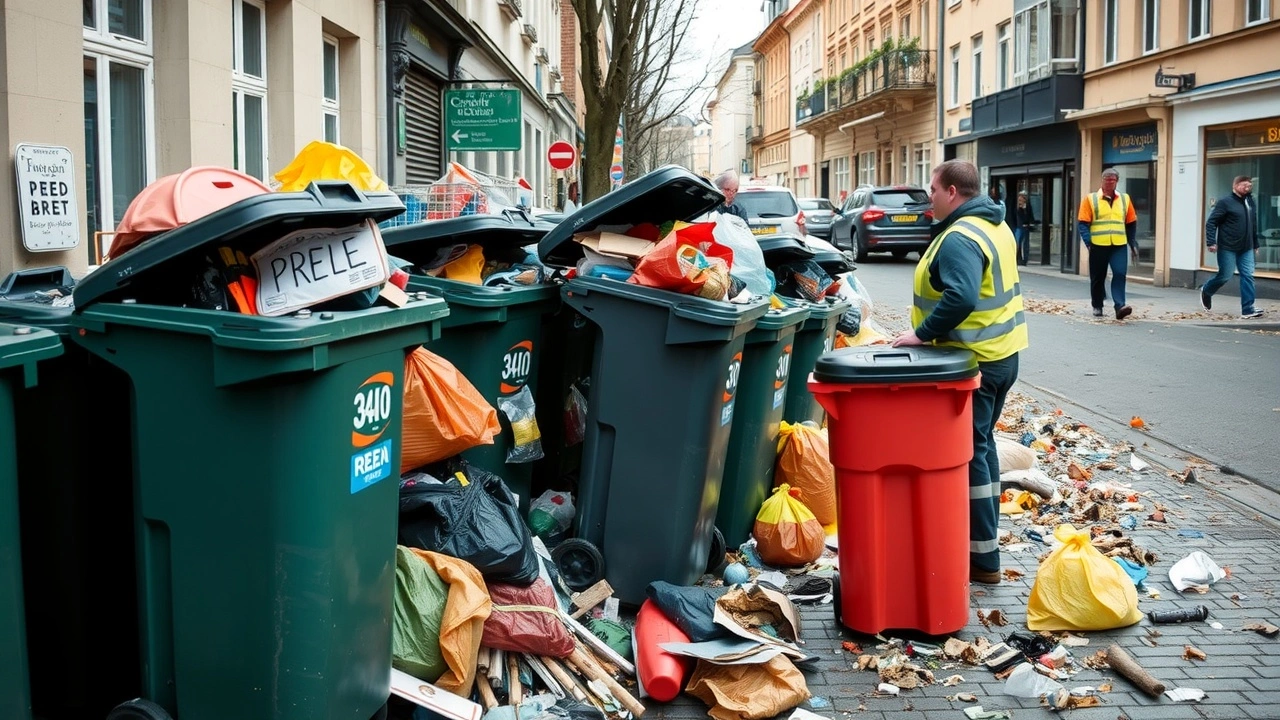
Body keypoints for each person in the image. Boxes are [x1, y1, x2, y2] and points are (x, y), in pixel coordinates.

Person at [891, 160, 1028, 585]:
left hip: (976, 363)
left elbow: (963, 295)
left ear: (952, 192)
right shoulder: (995, 224)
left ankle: (983, 559)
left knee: (970, 455)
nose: (927, 197)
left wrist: (922, 334)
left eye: (932, 189)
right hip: (1003, 355)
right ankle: (982, 552)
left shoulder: (959, 238)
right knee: (981, 448)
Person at [1077, 168, 1139, 320]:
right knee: (1098, 277)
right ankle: (1097, 305)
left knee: (1119, 274)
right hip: (1098, 245)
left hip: (1118, 245)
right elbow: (1083, 223)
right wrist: (1088, 242)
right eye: (1107, 180)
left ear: (1117, 182)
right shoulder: (1090, 199)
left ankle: (1120, 306)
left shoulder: (1125, 199)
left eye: (1113, 180)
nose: (1110, 183)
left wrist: (1132, 243)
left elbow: (1131, 222)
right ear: (1102, 181)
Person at [1201, 175, 1264, 318]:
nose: (1247, 188)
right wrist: (1211, 242)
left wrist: (1255, 243)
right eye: (1244, 185)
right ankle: (1207, 290)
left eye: (1249, 185)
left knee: (1248, 275)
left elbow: (1253, 224)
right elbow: (1211, 222)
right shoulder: (1225, 202)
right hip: (1228, 246)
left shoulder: (1250, 201)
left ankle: (1248, 309)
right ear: (1235, 186)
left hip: (1246, 247)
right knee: (1225, 275)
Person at [1013, 192, 1035, 266]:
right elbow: (1017, 216)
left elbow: (1029, 216)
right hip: (1019, 227)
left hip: (1025, 227)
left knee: (1025, 244)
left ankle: (1024, 259)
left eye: (1021, 200)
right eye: (1019, 200)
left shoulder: (1027, 207)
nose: (1020, 202)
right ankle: (1017, 258)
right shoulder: (1017, 208)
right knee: (1017, 243)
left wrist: (1024, 209)